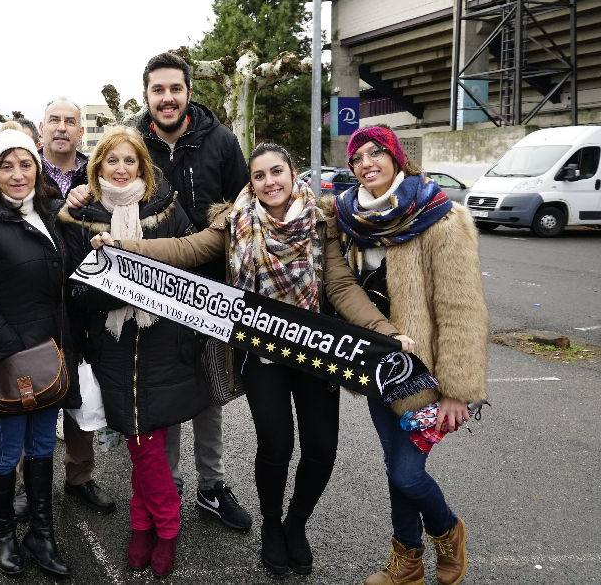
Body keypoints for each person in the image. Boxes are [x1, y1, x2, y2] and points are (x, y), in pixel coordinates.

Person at [91, 142, 414, 577]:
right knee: (276, 445)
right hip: (263, 356)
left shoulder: (322, 222)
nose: (269, 182)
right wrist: (126, 245)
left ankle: (295, 523)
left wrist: (384, 331)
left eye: (276, 172)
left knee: (321, 448)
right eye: (259, 176)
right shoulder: (235, 222)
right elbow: (186, 249)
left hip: (318, 351)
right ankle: (271, 526)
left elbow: (340, 287)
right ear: (251, 182)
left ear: (293, 172)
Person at [71, 50, 251, 530]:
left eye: (175, 89)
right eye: (158, 90)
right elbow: (103, 177)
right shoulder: (134, 141)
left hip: (209, 289)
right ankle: (165, 484)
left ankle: (212, 485)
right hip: (149, 296)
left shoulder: (222, 141)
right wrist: (79, 191)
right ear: (146, 94)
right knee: (161, 398)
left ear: (188, 91)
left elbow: (243, 205)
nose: (167, 98)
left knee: (210, 392)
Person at [333, 126, 487, 585]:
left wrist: (458, 391)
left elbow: (462, 308)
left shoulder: (440, 216)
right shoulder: (350, 217)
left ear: (397, 157)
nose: (366, 163)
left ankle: (447, 530)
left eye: (376, 152)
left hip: (428, 373)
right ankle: (408, 561)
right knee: (395, 467)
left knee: (405, 472)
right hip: (381, 368)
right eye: (357, 158)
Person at [60, 126, 210, 578]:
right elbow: (74, 290)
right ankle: (161, 524)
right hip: (113, 349)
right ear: (98, 166)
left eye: (130, 161)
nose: (121, 169)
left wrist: (135, 267)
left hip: (166, 345)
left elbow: (189, 260)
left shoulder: (167, 209)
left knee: (149, 443)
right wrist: (116, 283)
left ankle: (152, 527)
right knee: (140, 443)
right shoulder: (79, 216)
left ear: (143, 166)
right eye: (112, 161)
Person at [0, 129, 80, 579]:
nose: (17, 174)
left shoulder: (49, 215)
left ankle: (42, 532)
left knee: (44, 445)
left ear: (37, 168)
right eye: (6, 166)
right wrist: (11, 353)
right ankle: (4, 532)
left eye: (25, 164)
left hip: (52, 354)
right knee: (7, 450)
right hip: (13, 360)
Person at [33, 97, 117, 515]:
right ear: (41, 126)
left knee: (82, 393)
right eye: (55, 120)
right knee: (36, 395)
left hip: (90, 301)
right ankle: (31, 484)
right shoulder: (21, 171)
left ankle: (80, 476)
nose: (62, 127)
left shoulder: (99, 171)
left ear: (81, 131)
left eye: (71, 121)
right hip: (38, 303)